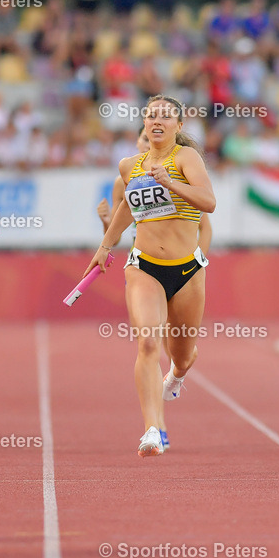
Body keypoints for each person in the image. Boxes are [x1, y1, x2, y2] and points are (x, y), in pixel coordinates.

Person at [85, 95, 216, 456]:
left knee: (183, 355)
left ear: (178, 125)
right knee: (147, 343)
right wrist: (105, 245)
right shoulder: (130, 165)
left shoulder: (186, 158)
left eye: (165, 116)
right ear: (143, 123)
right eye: (150, 116)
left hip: (188, 271)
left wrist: (170, 182)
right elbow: (127, 208)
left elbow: (208, 202)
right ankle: (153, 430)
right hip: (143, 267)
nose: (156, 121)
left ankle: (176, 376)